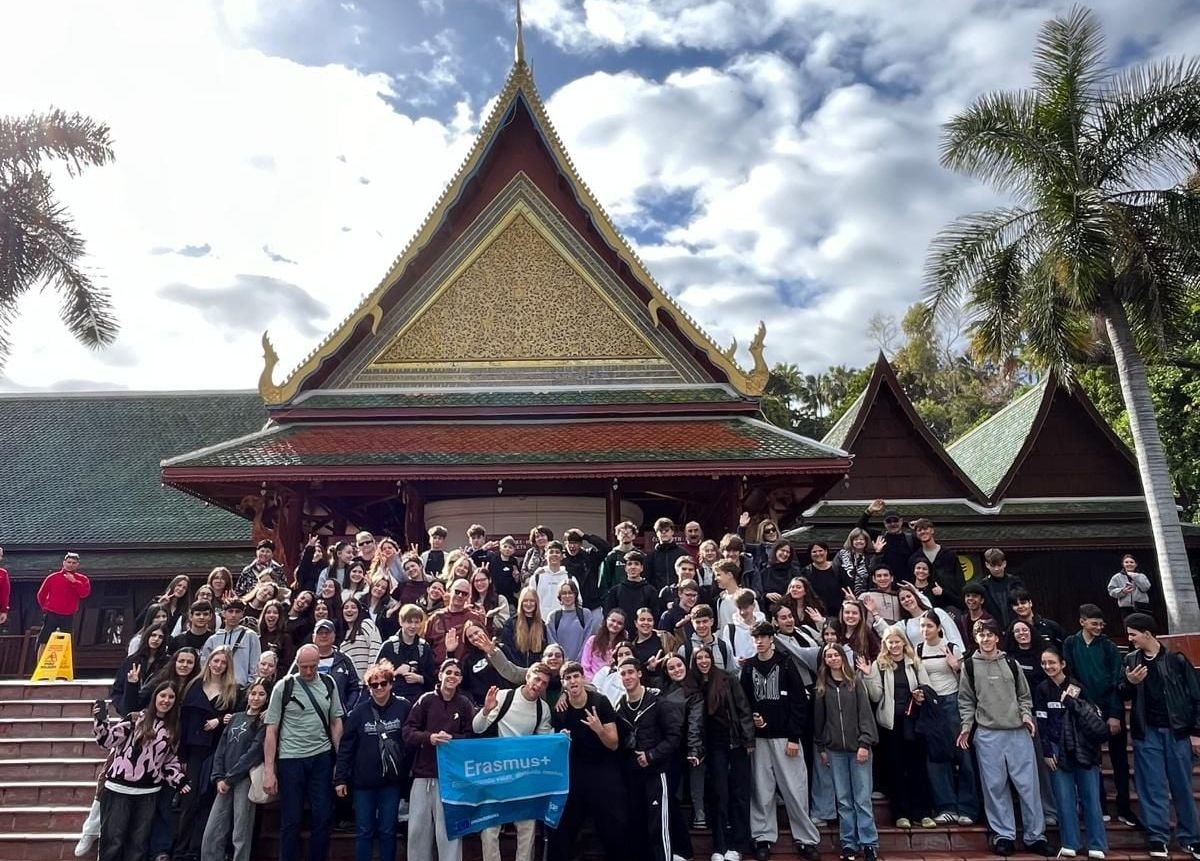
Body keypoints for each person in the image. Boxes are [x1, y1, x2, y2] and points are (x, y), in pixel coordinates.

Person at [956, 619, 1051, 857]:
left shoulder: (1011, 662)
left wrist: (1027, 716)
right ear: (975, 639)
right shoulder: (969, 666)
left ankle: (1035, 836)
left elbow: (1024, 696)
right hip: (988, 733)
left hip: (1017, 731)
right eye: (981, 635)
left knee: (1028, 785)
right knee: (995, 786)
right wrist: (967, 727)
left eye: (990, 635)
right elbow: (966, 701)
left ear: (998, 637)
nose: (986, 639)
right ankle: (1004, 835)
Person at [1120, 612, 1200, 860]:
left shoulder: (1176, 659)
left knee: (1182, 786)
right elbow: (1121, 693)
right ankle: (1158, 836)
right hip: (1147, 732)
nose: (1130, 639)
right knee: (1151, 785)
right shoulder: (1131, 660)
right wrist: (1130, 683)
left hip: (1177, 732)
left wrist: (1196, 734)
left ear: (1147, 633)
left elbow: (1195, 697)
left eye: (1133, 634)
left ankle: (1191, 838)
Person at [741, 621, 820, 861]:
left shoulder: (785, 664)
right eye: (756, 638)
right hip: (760, 740)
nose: (760, 641)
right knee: (762, 791)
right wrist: (752, 720)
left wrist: (795, 737)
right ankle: (763, 837)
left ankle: (806, 839)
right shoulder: (749, 667)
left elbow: (799, 703)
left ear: (771, 639)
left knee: (795, 790)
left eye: (764, 637)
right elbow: (744, 702)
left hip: (786, 739)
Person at [263, 643, 345, 861]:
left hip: (321, 757)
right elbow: (271, 729)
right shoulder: (284, 686)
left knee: (323, 815)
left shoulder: (328, 683)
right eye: (304, 667)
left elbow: (336, 722)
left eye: (313, 667)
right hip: (291, 758)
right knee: (291, 818)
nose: (308, 672)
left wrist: (341, 762)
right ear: (297, 664)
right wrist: (269, 770)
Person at [93, 681, 189, 861]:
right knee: (113, 840)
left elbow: (169, 761)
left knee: (138, 844)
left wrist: (180, 780)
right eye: (163, 696)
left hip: (148, 793)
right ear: (155, 698)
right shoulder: (136, 718)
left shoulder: (173, 728)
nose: (166, 700)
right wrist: (101, 721)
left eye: (171, 697)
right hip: (118, 789)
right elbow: (107, 741)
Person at [1061, 604, 1137, 827]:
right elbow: (1071, 676)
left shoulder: (1109, 647)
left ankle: (1124, 808)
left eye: (1100, 624)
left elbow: (1117, 680)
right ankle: (1099, 805)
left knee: (1119, 760)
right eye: (1093, 623)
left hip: (1109, 705)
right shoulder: (1070, 643)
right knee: (1091, 760)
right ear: (1082, 621)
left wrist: (1115, 713)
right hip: (1085, 709)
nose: (1098, 627)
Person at [472, 664, 554, 861]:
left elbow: (544, 742)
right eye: (536, 679)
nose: (538, 685)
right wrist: (486, 711)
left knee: (527, 826)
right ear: (528, 677)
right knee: (490, 827)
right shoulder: (504, 696)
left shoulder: (543, 709)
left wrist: (559, 738)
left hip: (523, 775)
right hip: (496, 771)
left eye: (543, 683)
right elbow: (477, 728)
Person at [1034, 649, 1109, 861]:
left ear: (1063, 664)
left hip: (1082, 747)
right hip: (1056, 748)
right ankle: (1070, 843)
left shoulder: (1077, 687)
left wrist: (1071, 702)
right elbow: (1042, 722)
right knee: (1064, 798)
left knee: (1090, 797)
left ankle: (1097, 844)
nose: (1048, 667)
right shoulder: (1042, 689)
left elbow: (1090, 718)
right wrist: (1047, 751)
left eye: (1052, 663)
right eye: (1044, 663)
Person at [336, 660, 413, 861]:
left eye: (383, 683)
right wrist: (341, 778)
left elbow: (411, 741)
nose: (379, 688)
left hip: (392, 781)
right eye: (374, 684)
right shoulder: (359, 712)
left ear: (391, 683)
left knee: (388, 830)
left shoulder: (404, 707)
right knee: (364, 831)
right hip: (364, 782)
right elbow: (346, 747)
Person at [549, 661, 626, 861]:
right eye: (568, 678)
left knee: (612, 821)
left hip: (602, 765)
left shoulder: (600, 702)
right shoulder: (560, 708)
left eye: (576, 676)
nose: (573, 681)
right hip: (575, 768)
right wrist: (561, 740)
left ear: (583, 678)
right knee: (563, 824)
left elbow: (614, 744)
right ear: (563, 683)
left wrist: (598, 728)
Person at [861, 625, 934, 830]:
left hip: (914, 721)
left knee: (917, 767)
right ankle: (900, 813)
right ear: (885, 644)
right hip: (891, 724)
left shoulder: (914, 663)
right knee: (896, 768)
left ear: (903, 642)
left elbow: (927, 688)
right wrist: (868, 675)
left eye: (897, 641)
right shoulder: (880, 664)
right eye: (890, 642)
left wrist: (921, 695)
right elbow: (875, 696)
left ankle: (922, 812)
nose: (894, 645)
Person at [403, 659, 476, 861]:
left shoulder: (464, 704)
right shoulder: (426, 700)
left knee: (449, 832)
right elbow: (408, 732)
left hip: (451, 778)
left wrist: (453, 740)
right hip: (423, 774)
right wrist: (429, 738)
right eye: (448, 672)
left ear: (460, 679)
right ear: (440, 675)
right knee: (418, 831)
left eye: (456, 673)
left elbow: (471, 737)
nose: (452, 676)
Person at [176, 646, 243, 861]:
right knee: (189, 801)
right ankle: (180, 850)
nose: (219, 665)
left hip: (215, 752)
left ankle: (198, 849)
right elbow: (183, 722)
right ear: (209, 661)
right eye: (216, 661)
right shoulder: (194, 684)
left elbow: (233, 721)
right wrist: (182, 757)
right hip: (193, 750)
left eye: (223, 663)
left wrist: (220, 720)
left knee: (207, 801)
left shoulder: (232, 690)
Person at [813, 643, 879, 861]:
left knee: (862, 798)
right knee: (843, 799)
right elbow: (819, 721)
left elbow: (866, 716)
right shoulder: (822, 687)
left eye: (835, 655)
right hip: (835, 750)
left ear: (843, 657)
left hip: (857, 748)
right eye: (828, 656)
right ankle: (848, 843)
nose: (832, 659)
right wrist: (822, 746)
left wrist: (864, 743)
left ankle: (868, 842)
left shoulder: (855, 683)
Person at [914, 611, 979, 826]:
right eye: (922, 626)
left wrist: (956, 666)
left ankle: (967, 808)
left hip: (953, 703)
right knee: (936, 757)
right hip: (932, 707)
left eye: (929, 626)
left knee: (963, 754)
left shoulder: (951, 647)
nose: (925, 630)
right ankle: (946, 806)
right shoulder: (918, 649)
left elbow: (965, 680)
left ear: (939, 627)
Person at [690, 645, 754, 861]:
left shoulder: (727, 679)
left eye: (706, 657)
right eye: (699, 658)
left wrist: (748, 739)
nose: (703, 661)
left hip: (734, 741)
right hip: (711, 746)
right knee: (719, 794)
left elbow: (743, 709)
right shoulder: (693, 684)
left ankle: (738, 844)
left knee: (739, 793)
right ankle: (719, 845)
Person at [615, 657, 683, 861]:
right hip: (632, 774)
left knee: (658, 825)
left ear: (639, 674)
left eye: (630, 672)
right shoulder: (619, 707)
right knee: (636, 823)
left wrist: (651, 755)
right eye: (623, 673)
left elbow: (674, 737)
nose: (627, 677)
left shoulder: (659, 702)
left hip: (656, 772)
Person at [199, 677, 269, 861]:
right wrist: (219, 777)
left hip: (244, 780)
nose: (256, 698)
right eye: (253, 693)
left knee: (241, 830)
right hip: (224, 781)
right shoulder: (235, 718)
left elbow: (254, 753)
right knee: (214, 829)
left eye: (261, 694)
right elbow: (221, 749)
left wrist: (231, 778)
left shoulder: (263, 723)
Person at [660, 654, 703, 845]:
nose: (677, 670)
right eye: (671, 668)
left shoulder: (694, 692)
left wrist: (694, 749)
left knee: (683, 789)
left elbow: (695, 722)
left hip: (684, 745)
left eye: (679, 665)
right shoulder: (663, 688)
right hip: (666, 746)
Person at [36, 551, 91, 656]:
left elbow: (84, 593)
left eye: (74, 563)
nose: (71, 565)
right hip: (52, 612)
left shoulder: (82, 579)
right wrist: (45, 607)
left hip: (69, 614)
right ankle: (40, 666)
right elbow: (41, 594)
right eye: (69, 562)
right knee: (44, 640)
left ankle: (63, 666)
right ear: (64, 563)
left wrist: (74, 582)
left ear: (77, 564)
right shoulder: (53, 577)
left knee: (67, 641)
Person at [378, 604, 435, 702]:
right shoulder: (389, 646)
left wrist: (420, 679)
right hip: (392, 699)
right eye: (409, 622)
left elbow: (433, 680)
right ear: (401, 622)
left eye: (416, 622)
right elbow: (376, 678)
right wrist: (396, 672)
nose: (413, 626)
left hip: (417, 701)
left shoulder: (424, 647)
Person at [111, 624, 170, 716]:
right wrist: (121, 706)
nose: (156, 639)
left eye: (160, 637)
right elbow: (117, 688)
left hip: (153, 712)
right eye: (153, 635)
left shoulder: (167, 662)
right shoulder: (131, 660)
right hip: (129, 709)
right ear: (147, 636)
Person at [425, 578, 486, 664]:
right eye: (457, 591)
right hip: (438, 670)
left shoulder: (474, 618)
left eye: (464, 593)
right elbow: (427, 646)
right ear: (450, 591)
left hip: (467, 670)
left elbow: (483, 643)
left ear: (468, 597)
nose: (460, 595)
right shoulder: (435, 618)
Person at [202, 598, 262, 685]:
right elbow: (204, 664)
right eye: (230, 611)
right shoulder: (213, 639)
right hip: (217, 687)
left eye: (237, 612)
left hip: (240, 687)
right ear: (223, 613)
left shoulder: (250, 636)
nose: (233, 615)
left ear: (242, 614)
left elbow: (256, 665)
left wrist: (248, 685)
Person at [905, 520, 963, 599]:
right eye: (919, 530)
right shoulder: (914, 558)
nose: (923, 532)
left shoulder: (949, 554)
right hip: (926, 602)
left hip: (950, 601)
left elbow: (960, 580)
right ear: (916, 534)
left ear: (932, 530)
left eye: (925, 529)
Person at [546, 580, 599, 662]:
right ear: (559, 596)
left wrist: (578, 660)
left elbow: (587, 640)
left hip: (581, 663)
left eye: (570, 592)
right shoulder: (553, 617)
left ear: (575, 594)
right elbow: (552, 642)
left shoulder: (585, 614)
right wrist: (562, 660)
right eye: (564, 593)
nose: (567, 596)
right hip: (560, 664)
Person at [679, 604, 738, 676]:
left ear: (711, 621)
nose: (701, 626)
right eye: (698, 622)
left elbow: (732, 676)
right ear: (692, 623)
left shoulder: (724, 648)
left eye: (705, 621)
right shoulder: (685, 650)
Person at [605, 549, 661, 621]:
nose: (633, 567)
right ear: (625, 568)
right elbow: (609, 616)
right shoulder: (615, 591)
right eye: (629, 564)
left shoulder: (651, 591)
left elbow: (655, 617)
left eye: (636, 564)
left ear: (642, 568)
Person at [562, 527, 611, 609]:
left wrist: (586, 536)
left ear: (581, 544)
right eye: (570, 543)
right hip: (569, 604)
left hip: (591, 604)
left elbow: (606, 548)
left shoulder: (590, 556)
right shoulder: (561, 559)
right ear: (565, 544)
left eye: (576, 543)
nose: (572, 546)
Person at [500, 586, 549, 668]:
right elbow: (508, 650)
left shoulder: (542, 625)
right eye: (525, 601)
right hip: (515, 670)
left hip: (535, 672)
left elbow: (543, 652)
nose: (528, 604)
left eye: (532, 601)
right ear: (521, 602)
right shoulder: (510, 624)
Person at [977, 549, 1024, 630]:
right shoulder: (983, 586)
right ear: (987, 565)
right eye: (993, 566)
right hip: (994, 627)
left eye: (999, 565)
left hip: (1016, 624)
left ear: (1004, 563)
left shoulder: (1015, 582)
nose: (996, 569)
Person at [340, 596, 382, 682]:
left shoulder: (366, 624)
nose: (349, 610)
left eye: (353, 607)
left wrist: (371, 674)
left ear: (359, 611)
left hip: (369, 682)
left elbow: (376, 647)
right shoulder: (343, 636)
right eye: (346, 608)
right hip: (354, 686)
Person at [802, 542, 849, 620]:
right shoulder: (806, 572)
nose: (818, 553)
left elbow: (846, 587)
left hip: (839, 613)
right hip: (818, 614)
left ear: (826, 551)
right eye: (814, 552)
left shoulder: (838, 568)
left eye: (820, 550)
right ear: (810, 554)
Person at [581, 609, 628, 681]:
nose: (615, 625)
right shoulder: (593, 641)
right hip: (592, 682)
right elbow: (585, 665)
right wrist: (594, 681)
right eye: (613, 620)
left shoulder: (623, 645)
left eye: (619, 623)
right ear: (606, 620)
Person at [1107, 554, 1152, 620]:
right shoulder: (1117, 577)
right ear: (1123, 564)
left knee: (1142, 626)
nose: (1129, 564)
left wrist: (1135, 576)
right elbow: (1111, 591)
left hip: (1141, 606)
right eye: (1126, 562)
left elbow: (1145, 588)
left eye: (1131, 562)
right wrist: (1123, 591)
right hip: (1126, 607)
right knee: (1129, 627)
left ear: (1136, 564)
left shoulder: (1141, 576)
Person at [646, 518, 686, 590]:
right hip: (657, 595)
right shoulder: (650, 556)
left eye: (667, 530)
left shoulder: (683, 554)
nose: (664, 532)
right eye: (661, 531)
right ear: (656, 533)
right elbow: (648, 578)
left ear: (672, 532)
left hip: (679, 592)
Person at [470, 564, 511, 633]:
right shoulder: (470, 601)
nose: (479, 583)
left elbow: (505, 624)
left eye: (483, 580)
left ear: (489, 580)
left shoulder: (500, 600)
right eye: (476, 581)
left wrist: (488, 618)